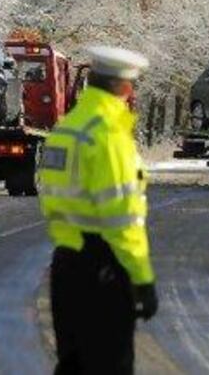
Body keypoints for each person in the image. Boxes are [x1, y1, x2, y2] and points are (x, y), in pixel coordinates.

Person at [37, 46, 158, 375]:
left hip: (65, 266)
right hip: (104, 271)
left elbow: (50, 195)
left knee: (72, 366)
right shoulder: (108, 135)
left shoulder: (66, 130)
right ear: (126, 88)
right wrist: (142, 279)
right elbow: (123, 219)